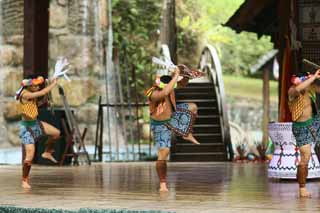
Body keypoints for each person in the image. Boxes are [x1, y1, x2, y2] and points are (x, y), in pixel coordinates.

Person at [145, 66, 200, 192]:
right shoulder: (152, 93)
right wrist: (175, 76)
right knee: (164, 153)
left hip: (173, 116)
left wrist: (186, 74)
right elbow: (164, 93)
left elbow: (182, 83)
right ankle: (163, 183)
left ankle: (187, 133)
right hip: (160, 125)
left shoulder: (169, 86)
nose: (171, 88)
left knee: (192, 107)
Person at [16, 76, 60, 189]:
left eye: (37, 85)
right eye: (35, 85)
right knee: (29, 156)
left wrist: (45, 101)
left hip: (36, 123)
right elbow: (42, 92)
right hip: (27, 129)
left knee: (56, 133)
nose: (37, 87)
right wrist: (53, 84)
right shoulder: (25, 94)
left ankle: (47, 152)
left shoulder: (31, 93)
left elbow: (34, 104)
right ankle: (24, 180)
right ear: (28, 86)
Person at [288, 69, 320, 197]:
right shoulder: (292, 91)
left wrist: (316, 77)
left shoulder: (310, 88)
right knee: (305, 158)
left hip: (313, 122)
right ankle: (302, 189)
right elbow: (298, 89)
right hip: (300, 127)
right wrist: (312, 78)